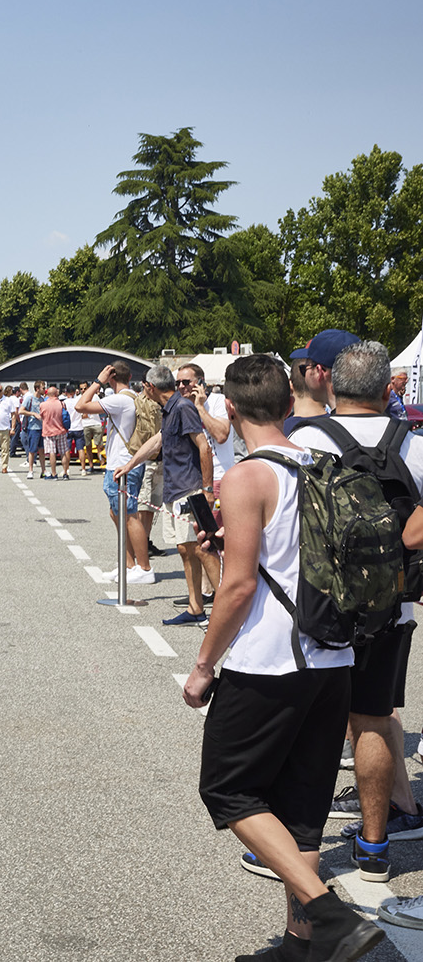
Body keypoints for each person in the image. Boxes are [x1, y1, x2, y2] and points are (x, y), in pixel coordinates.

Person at [183, 354, 384, 962]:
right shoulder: (322, 464)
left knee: (228, 790)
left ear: (232, 409)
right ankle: (304, 945)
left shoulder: (245, 477)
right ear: (288, 400)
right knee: (302, 807)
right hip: (333, 658)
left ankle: (328, 915)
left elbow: (239, 586)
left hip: (270, 661)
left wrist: (203, 665)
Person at [288, 338, 423, 888]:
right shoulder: (414, 445)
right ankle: (374, 845)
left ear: (332, 384)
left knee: (313, 723)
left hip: (322, 603)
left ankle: (302, 846)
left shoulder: (304, 441)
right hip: (393, 602)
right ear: (386, 388)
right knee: (372, 718)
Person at [119, 366, 221, 626]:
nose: (144, 391)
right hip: (175, 490)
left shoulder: (183, 407)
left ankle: (224, 609)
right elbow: (158, 441)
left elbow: (204, 446)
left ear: (151, 387)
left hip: (190, 489)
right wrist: (130, 465)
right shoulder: (169, 410)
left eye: (144, 387)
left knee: (202, 548)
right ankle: (195, 606)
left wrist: (207, 489)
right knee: (185, 550)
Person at [76, 362, 153, 585]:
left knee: (129, 515)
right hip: (125, 462)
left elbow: (81, 406)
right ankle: (128, 565)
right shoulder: (133, 396)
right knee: (117, 513)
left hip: (123, 463)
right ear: (129, 376)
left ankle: (144, 567)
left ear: (111, 378)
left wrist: (98, 381)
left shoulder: (120, 400)